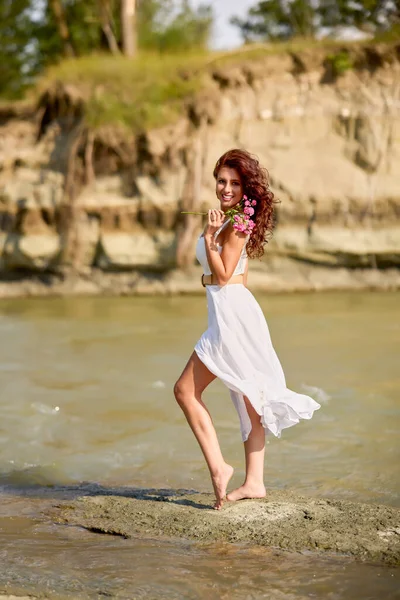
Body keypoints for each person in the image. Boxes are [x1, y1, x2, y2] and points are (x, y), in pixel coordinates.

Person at [173, 149, 320, 510]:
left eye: (234, 183)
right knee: (248, 396)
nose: (225, 188)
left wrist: (208, 238)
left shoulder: (237, 223)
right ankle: (254, 482)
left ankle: (220, 468)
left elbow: (224, 275)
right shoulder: (234, 218)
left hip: (232, 316)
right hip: (232, 311)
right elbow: (235, 275)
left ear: (245, 188)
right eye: (222, 181)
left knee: (185, 391)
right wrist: (210, 272)